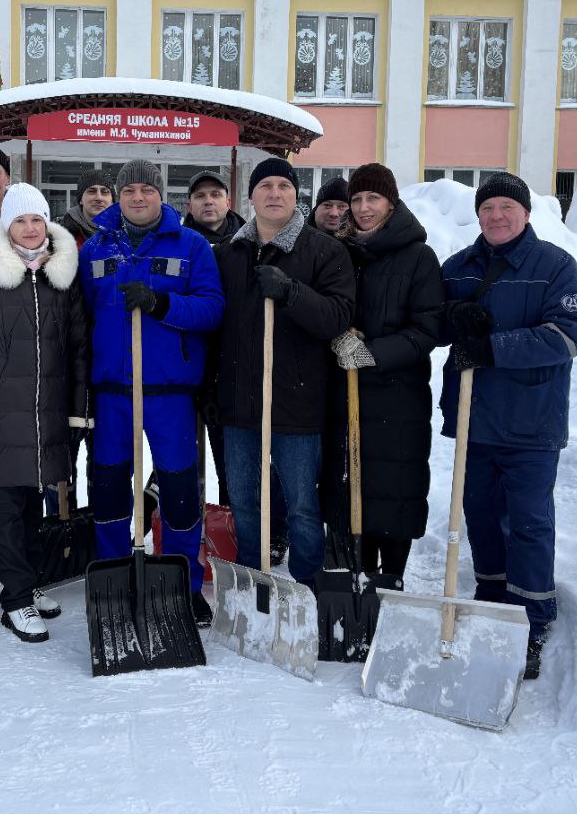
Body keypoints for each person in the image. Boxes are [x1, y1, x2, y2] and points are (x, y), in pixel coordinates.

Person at [439, 171, 577, 680]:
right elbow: (431, 319)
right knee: (480, 514)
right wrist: (453, 316)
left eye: (507, 207)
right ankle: (492, 596)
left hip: (531, 421)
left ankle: (530, 617)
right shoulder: (460, 266)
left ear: (525, 213)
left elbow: (567, 336)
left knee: (528, 522)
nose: (497, 216)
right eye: (487, 208)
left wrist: (492, 347)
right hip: (475, 417)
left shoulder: (554, 266)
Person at [79, 158, 224, 626]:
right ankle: (114, 575)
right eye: (128, 190)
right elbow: (83, 314)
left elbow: (212, 309)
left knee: (179, 489)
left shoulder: (191, 244)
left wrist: (162, 303)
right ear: (118, 197)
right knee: (108, 486)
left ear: (161, 195)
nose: (138, 197)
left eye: (147, 189)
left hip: (169, 391)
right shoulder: (95, 248)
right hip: (112, 391)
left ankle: (183, 582)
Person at [0, 183, 89, 643]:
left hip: (48, 413)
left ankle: (29, 584)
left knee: (34, 505)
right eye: (20, 220)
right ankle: (15, 599)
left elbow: (79, 349)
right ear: (6, 226)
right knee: (8, 508)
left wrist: (78, 411)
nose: (30, 228)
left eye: (37, 220)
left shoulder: (61, 277)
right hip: (2, 413)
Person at [213, 157, 355, 587]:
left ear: (297, 195)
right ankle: (253, 579)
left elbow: (338, 316)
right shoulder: (229, 254)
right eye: (265, 186)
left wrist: (292, 293)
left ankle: (307, 582)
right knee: (244, 500)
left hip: (297, 401)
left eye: (284, 186)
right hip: (238, 402)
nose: (275, 193)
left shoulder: (324, 251)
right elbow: (214, 325)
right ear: (250, 197)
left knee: (302, 506)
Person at [322, 164, 443, 588]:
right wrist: (338, 336)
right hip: (344, 395)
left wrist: (371, 353)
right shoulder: (340, 252)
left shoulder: (418, 257)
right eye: (356, 199)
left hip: (397, 398)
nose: (363, 207)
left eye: (373, 198)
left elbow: (428, 329)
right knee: (348, 486)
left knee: (393, 488)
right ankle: (355, 577)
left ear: (391, 203)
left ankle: (391, 579)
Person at [182, 169, 245, 244]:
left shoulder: (250, 243)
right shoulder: (176, 244)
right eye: (200, 196)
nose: (208, 201)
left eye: (216, 195)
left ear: (228, 204)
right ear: (190, 207)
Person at [60, 169, 114, 247]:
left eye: (105, 192)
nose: (99, 198)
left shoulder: (127, 234)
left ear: (112, 201)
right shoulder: (60, 237)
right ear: (81, 200)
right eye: (92, 191)